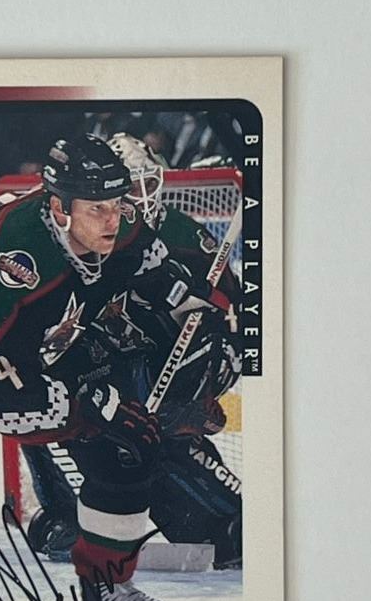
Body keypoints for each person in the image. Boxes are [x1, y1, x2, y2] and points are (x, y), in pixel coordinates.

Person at [0, 134, 196, 601]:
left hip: (43, 339)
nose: (113, 219)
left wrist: (203, 316)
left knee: (127, 449)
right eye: (97, 208)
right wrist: (93, 407)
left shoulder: (114, 223)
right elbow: (5, 398)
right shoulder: (19, 262)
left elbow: (160, 278)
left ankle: (108, 592)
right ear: (59, 209)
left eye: (117, 203)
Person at [24, 133, 243, 569]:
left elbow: (233, 319)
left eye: (147, 183)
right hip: (99, 377)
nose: (139, 199)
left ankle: (213, 513)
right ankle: (64, 510)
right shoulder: (75, 240)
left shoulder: (181, 234)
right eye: (128, 190)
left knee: (217, 526)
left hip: (160, 380)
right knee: (41, 406)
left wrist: (210, 363)